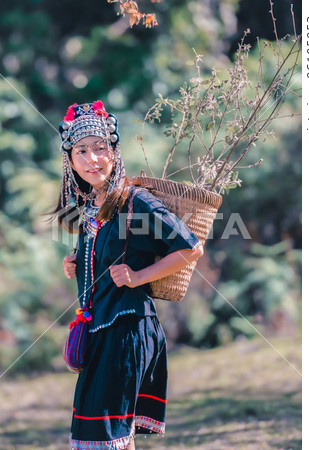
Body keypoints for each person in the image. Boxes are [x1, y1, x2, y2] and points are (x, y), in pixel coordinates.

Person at [50, 100, 204, 450]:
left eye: (100, 148)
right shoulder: (92, 207)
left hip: (128, 329)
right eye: (82, 151)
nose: (92, 159)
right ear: (70, 161)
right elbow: (111, 251)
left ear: (114, 153)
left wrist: (139, 276)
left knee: (104, 442)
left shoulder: (138, 201)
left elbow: (191, 248)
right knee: (115, 441)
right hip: (101, 330)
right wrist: (79, 260)